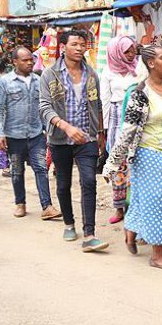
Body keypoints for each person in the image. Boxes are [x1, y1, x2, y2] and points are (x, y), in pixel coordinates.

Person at [103, 46, 162, 269]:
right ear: (151, 63)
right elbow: (127, 131)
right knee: (158, 202)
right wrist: (112, 164)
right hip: (149, 155)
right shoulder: (140, 93)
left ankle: (131, 228)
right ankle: (157, 254)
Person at [39, 29, 109, 252]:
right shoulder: (49, 74)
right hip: (60, 139)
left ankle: (90, 234)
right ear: (63, 47)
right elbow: (44, 107)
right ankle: (69, 223)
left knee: (89, 181)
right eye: (75, 44)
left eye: (83, 44)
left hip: (86, 138)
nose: (80, 48)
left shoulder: (92, 74)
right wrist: (65, 126)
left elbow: (97, 105)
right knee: (63, 184)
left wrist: (100, 133)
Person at [0, 47, 62, 220]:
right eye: (25, 60)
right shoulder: (4, 82)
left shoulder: (39, 81)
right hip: (14, 136)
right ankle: (20, 203)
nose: (30, 62)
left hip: (36, 134)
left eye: (31, 59)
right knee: (17, 171)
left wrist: (49, 131)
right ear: (14, 62)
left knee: (40, 168)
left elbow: (45, 108)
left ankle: (47, 206)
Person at [99, 35, 140, 225]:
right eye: (127, 51)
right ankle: (119, 207)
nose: (131, 54)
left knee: (136, 164)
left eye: (133, 50)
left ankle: (134, 207)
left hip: (137, 116)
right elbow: (105, 102)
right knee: (118, 164)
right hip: (117, 118)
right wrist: (106, 130)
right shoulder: (107, 72)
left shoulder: (140, 68)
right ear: (117, 53)